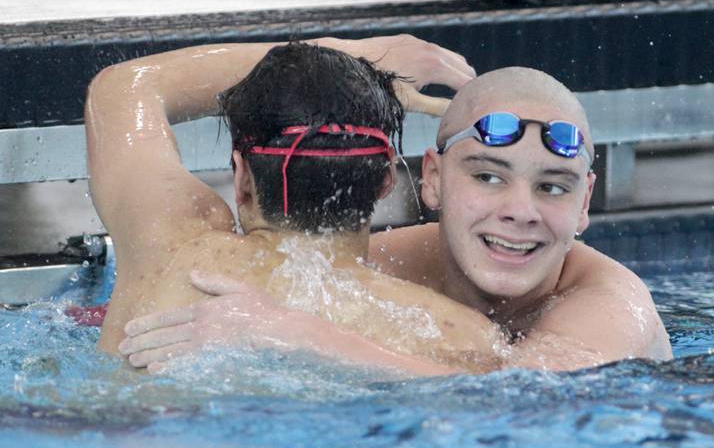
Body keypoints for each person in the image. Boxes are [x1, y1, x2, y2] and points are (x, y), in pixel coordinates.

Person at [121, 63, 673, 372]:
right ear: (430, 179)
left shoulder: (610, 303)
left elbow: (521, 397)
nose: (520, 212)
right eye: (487, 176)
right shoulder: (394, 262)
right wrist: (356, 64)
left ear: (584, 204)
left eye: (553, 187)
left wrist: (300, 334)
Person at [86, 35, 509, 375]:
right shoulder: (459, 337)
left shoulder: (169, 245)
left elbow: (123, 87)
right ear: (385, 181)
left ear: (243, 178)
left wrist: (352, 50)